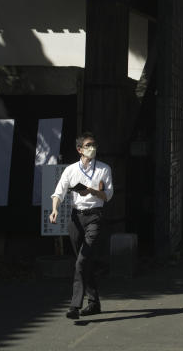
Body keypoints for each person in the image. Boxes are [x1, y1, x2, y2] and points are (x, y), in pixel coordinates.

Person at [50, 132, 114, 319]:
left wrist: (92, 191)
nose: (92, 148)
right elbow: (58, 192)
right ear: (79, 150)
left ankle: (74, 306)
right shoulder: (70, 170)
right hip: (75, 218)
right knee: (85, 262)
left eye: (94, 144)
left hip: (95, 216)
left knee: (81, 260)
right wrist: (54, 210)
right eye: (88, 145)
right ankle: (94, 303)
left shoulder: (104, 169)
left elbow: (108, 196)